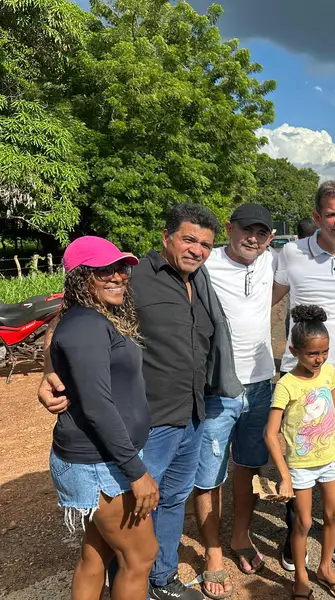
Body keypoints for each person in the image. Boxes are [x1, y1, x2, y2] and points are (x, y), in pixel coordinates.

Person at [40, 203, 237, 600]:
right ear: (166, 237)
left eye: (205, 244)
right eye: (188, 239)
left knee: (171, 501)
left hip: (192, 413)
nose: (197, 249)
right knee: (134, 527)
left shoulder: (198, 280)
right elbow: (64, 325)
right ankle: (137, 587)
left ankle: (161, 582)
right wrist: (49, 373)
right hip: (149, 425)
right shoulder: (137, 279)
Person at [273, 180, 335, 568]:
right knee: (295, 453)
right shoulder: (291, 252)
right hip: (296, 375)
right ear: (317, 216)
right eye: (332, 213)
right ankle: (294, 524)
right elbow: (266, 300)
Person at [49, 237, 157, 600]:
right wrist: (137, 472)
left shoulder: (93, 318)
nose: (117, 276)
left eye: (121, 268)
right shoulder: (85, 325)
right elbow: (97, 406)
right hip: (99, 462)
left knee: (98, 553)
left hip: (103, 457)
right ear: (80, 278)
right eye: (103, 270)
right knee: (140, 556)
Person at [193, 203, 277, 599]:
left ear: (270, 238)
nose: (253, 238)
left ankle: (240, 536)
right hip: (218, 388)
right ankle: (212, 552)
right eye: (247, 229)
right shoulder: (204, 265)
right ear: (229, 228)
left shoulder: (271, 261)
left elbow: (327, 241)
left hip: (261, 384)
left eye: (262, 232)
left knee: (247, 465)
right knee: (209, 473)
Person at [266, 305, 335, 600]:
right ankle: (300, 576)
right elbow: (271, 433)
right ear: (294, 350)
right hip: (300, 466)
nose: (319, 359)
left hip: (330, 459)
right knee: (303, 522)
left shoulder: (329, 373)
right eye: (312, 354)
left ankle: (325, 568)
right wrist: (284, 475)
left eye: (324, 352)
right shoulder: (286, 385)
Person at [285, 219, 319, 340]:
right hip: (319, 317)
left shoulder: (290, 253)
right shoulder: (325, 256)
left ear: (298, 236)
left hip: (295, 317)